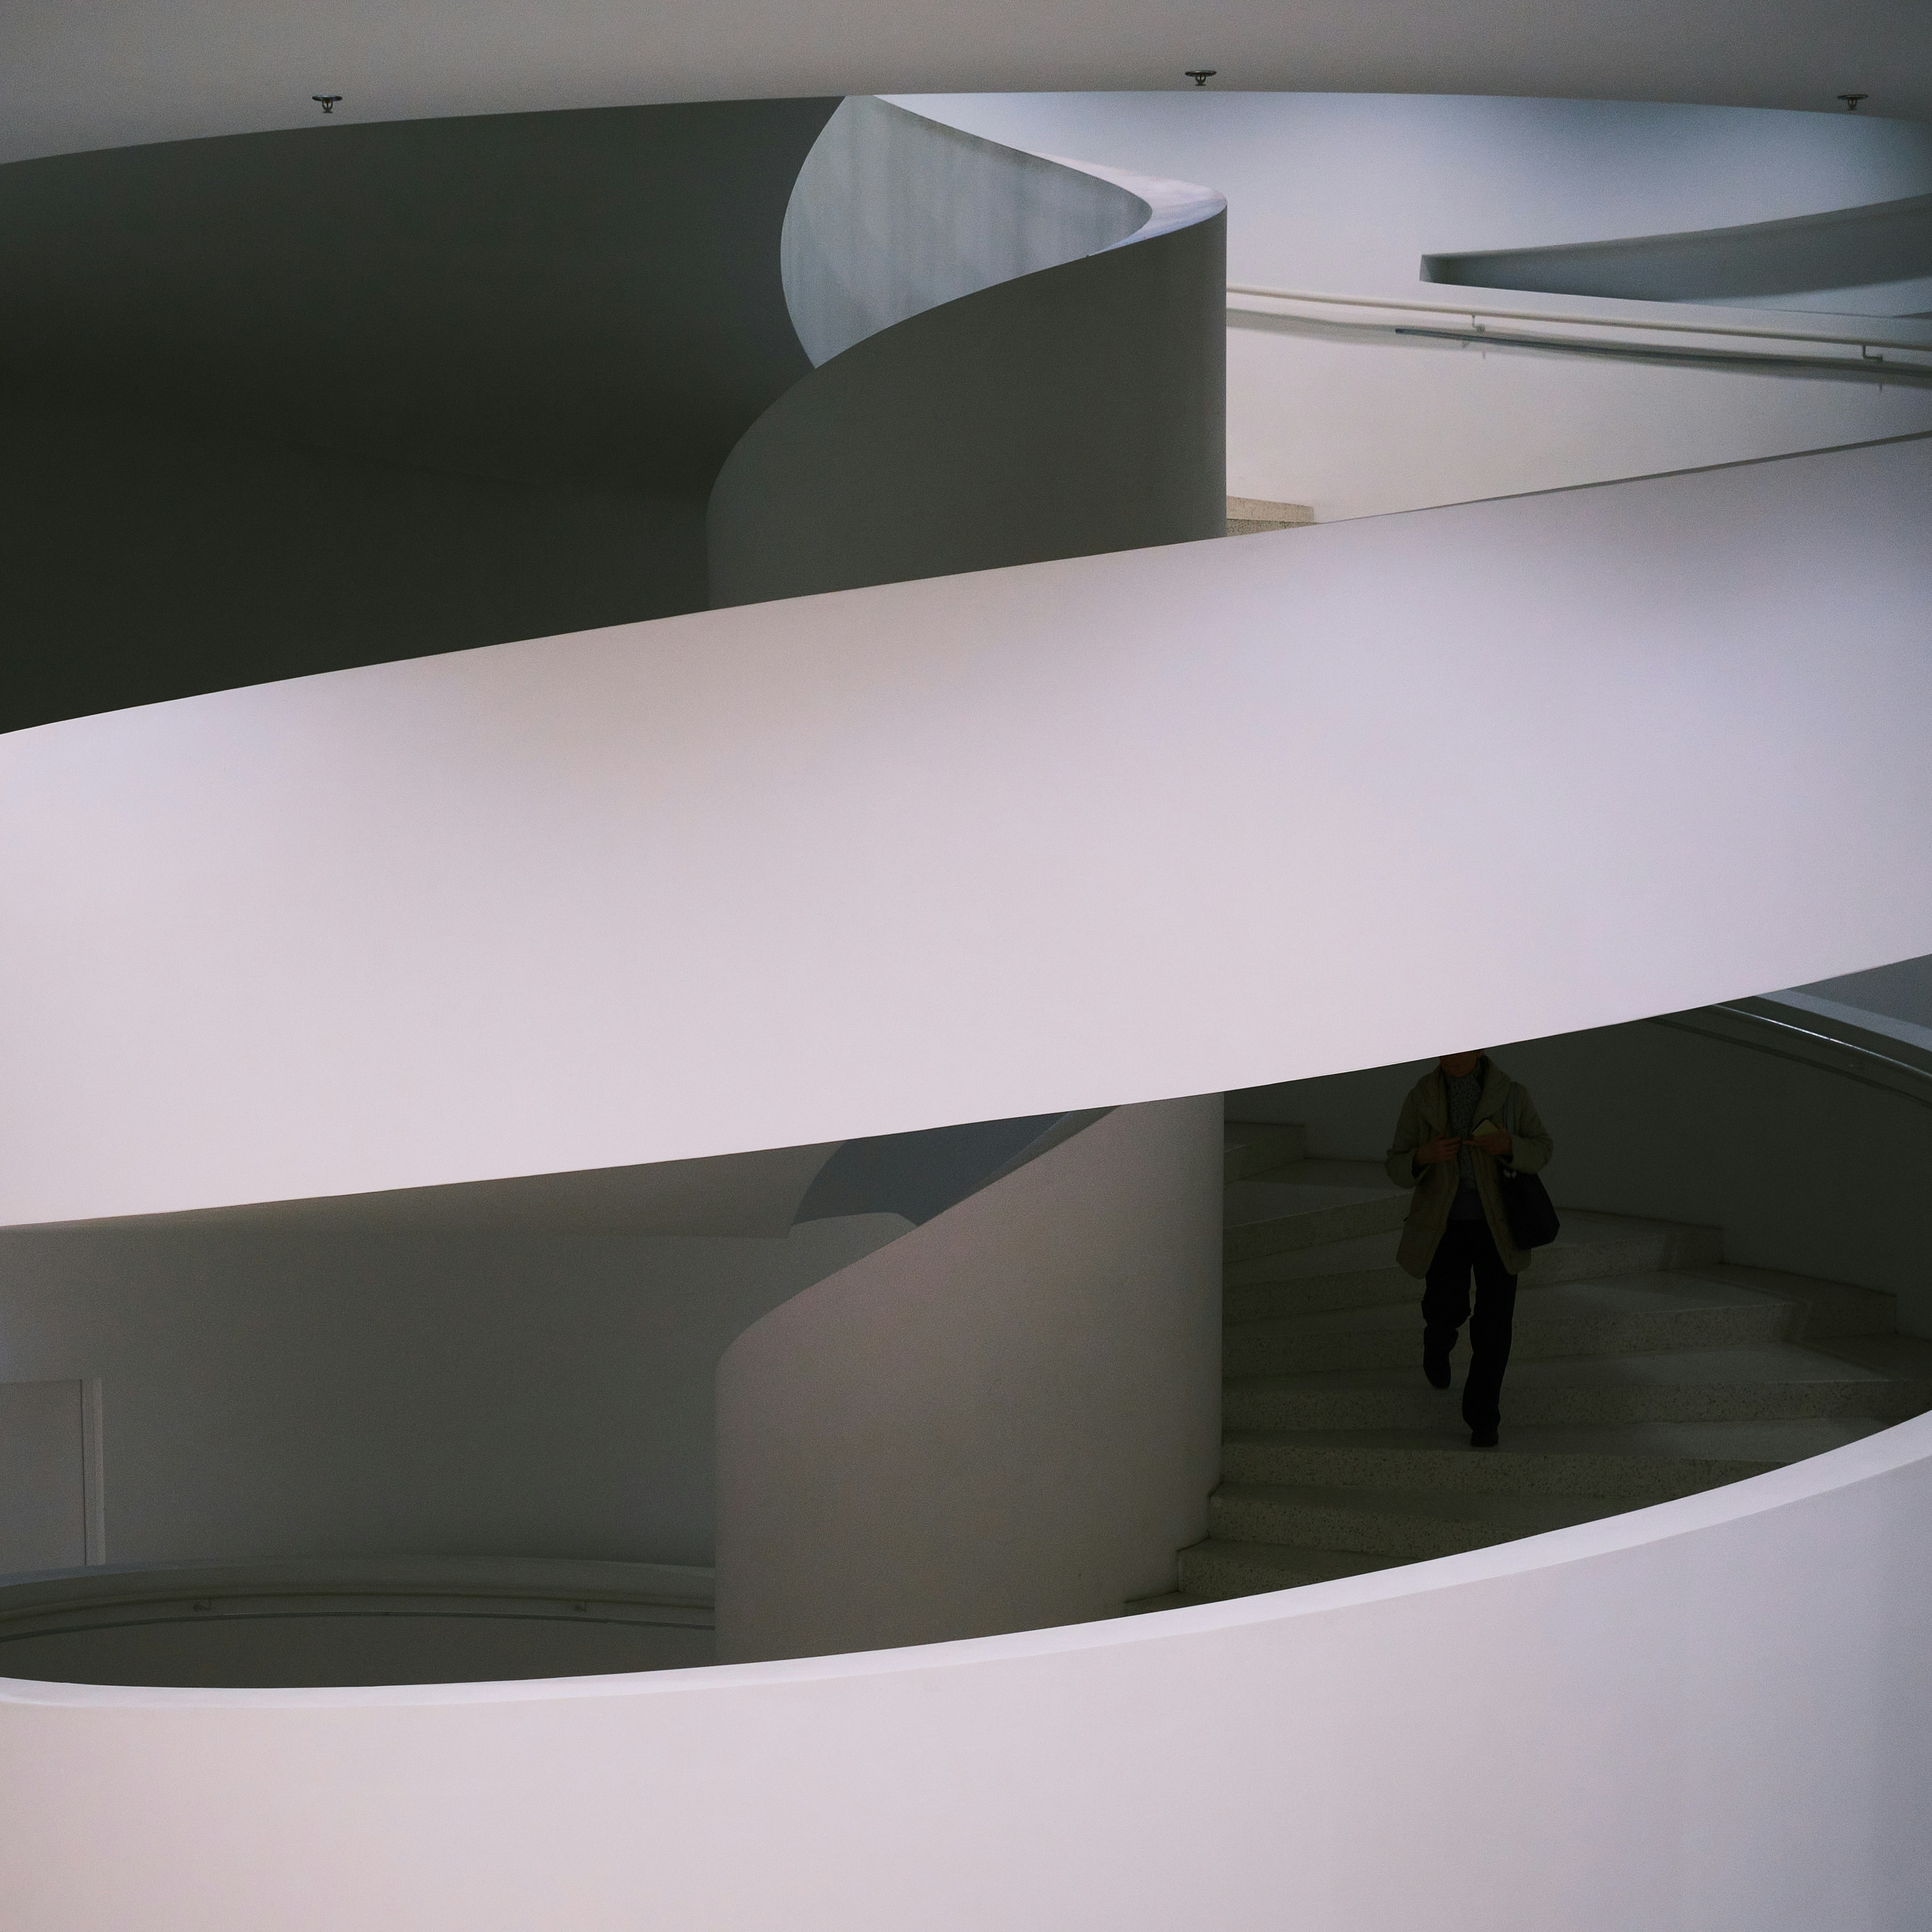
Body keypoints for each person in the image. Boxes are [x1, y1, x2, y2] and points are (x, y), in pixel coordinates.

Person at [1384, 1051, 1554, 1447]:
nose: (1453, 1056)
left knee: (1495, 1324)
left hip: (1501, 1227)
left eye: (1462, 1047)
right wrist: (1424, 1156)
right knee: (1446, 1307)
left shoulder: (1511, 1095)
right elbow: (1395, 1165)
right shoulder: (1422, 1097)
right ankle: (1437, 1342)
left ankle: (1484, 1417)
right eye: (1446, 1047)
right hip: (1443, 1226)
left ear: (1479, 1047)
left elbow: (1542, 1148)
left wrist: (1508, 1145)